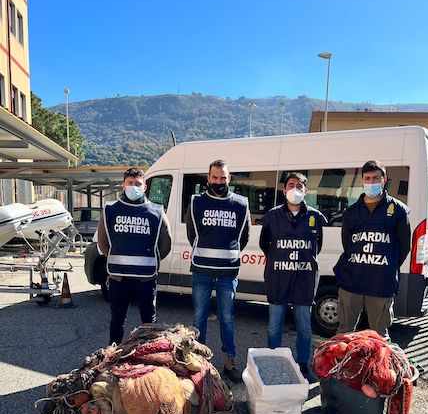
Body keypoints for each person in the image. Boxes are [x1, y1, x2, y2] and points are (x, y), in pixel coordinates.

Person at [186, 159, 250, 383]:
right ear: (208, 178)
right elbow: (191, 234)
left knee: (226, 318)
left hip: (227, 273)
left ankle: (229, 361)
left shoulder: (241, 204)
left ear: (229, 179)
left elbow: (244, 236)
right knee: (199, 317)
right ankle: (197, 362)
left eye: (223, 178)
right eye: (215, 177)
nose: (219, 181)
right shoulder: (196, 202)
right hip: (201, 271)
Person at [259, 172, 327, 378]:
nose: (295, 189)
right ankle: (273, 359)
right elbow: (265, 245)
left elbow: (317, 247)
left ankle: (303, 363)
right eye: (291, 185)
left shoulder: (315, 217)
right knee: (274, 327)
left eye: (299, 186)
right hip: (278, 277)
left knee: (304, 328)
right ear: (284, 189)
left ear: (306, 191)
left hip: (304, 279)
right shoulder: (272, 216)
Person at [333, 159, 411, 338]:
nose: (371, 182)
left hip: (381, 283)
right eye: (367, 178)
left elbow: (404, 247)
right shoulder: (351, 211)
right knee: (345, 333)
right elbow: (348, 245)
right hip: (351, 281)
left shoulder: (398, 210)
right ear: (362, 180)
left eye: (376, 178)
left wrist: (386, 265)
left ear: (384, 179)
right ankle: (346, 366)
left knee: (379, 337)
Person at [97, 166, 172, 345]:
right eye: (130, 183)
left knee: (149, 327)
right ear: (123, 185)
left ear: (145, 187)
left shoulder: (156, 211)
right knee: (117, 322)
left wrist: (150, 261)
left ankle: (148, 360)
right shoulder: (110, 210)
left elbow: (166, 244)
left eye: (138, 184)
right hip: (118, 278)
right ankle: (113, 360)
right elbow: (103, 242)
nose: (134, 187)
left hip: (146, 280)